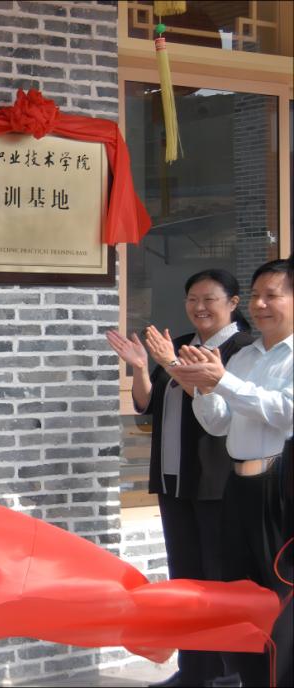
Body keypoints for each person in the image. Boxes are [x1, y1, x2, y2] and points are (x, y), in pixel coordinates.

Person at [106, 269, 255, 688]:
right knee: (185, 580)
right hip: (175, 480)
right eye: (192, 299)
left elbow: (222, 411)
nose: (199, 307)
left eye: (209, 299)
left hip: (217, 484)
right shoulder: (184, 345)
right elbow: (148, 404)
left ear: (233, 303)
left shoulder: (243, 350)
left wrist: (171, 363)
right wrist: (141, 367)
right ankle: (194, 670)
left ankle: (227, 672)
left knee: (217, 581)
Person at [172, 257, 293, 688]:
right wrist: (203, 389)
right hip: (238, 487)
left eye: (271, 296)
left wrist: (222, 381)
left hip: (280, 488)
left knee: (281, 595)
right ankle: (249, 678)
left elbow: (285, 413)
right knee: (239, 592)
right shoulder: (245, 357)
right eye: (256, 295)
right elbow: (220, 424)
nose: (259, 305)